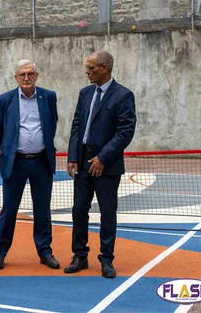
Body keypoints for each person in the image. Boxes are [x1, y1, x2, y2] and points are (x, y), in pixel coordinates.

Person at [65, 51, 137, 278]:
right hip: (84, 163)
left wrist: (103, 158)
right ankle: (80, 255)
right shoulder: (85, 93)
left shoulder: (123, 95)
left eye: (91, 68)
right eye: (87, 68)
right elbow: (77, 125)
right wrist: (73, 156)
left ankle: (106, 259)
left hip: (107, 166)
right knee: (79, 210)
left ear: (104, 68)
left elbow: (125, 132)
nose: (87, 72)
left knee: (107, 213)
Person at [0, 60, 59, 270]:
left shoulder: (48, 97)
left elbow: (52, 124)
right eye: (22, 74)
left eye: (30, 74)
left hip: (41, 162)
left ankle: (45, 251)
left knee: (42, 210)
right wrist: (11, 150)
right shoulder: (4, 100)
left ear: (37, 76)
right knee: (9, 210)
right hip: (16, 163)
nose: (26, 78)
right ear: (16, 78)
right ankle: (1, 251)